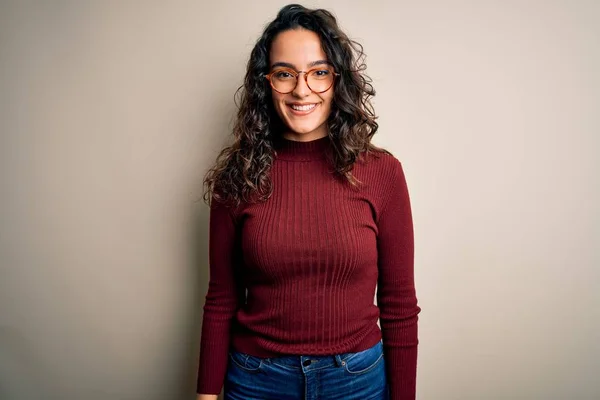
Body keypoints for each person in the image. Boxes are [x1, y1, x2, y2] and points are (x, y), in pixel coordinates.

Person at [196, 4, 420, 400]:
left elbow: (399, 304)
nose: (302, 90)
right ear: (267, 83)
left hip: (356, 380)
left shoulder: (383, 172)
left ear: (338, 80)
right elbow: (221, 299)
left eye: (318, 72)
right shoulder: (238, 175)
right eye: (285, 74)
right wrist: (206, 395)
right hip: (256, 380)